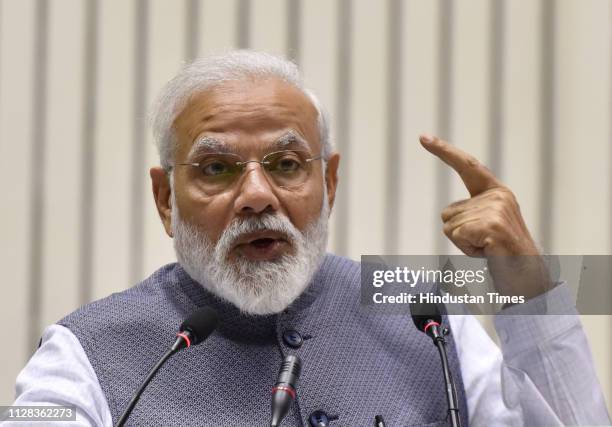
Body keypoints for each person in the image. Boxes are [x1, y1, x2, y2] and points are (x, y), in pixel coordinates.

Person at [9, 50, 610, 426]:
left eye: (287, 163)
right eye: (217, 168)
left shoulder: (426, 316)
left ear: (329, 181)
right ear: (166, 198)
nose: (256, 196)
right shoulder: (81, 352)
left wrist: (529, 289)